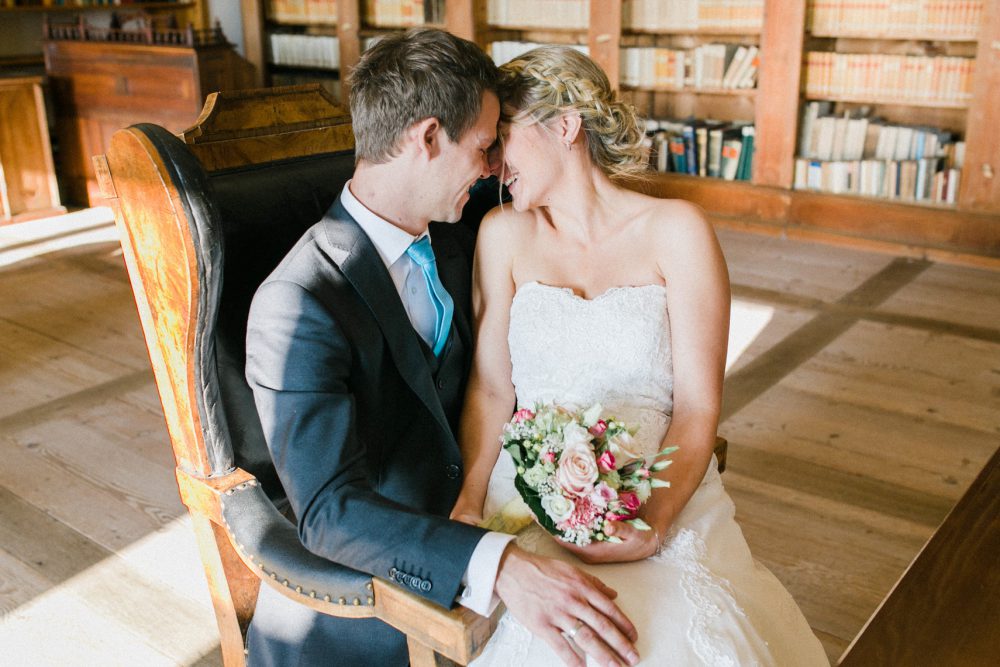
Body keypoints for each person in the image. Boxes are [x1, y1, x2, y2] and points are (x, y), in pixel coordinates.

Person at [244, 29, 639, 667]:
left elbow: (559, 180)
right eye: (485, 147)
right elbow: (328, 512)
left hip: (510, 501)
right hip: (382, 585)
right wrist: (499, 566)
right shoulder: (297, 304)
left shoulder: (461, 229)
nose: (493, 169)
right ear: (428, 138)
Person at [450, 45, 831, 666]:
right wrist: (468, 502)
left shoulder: (677, 231)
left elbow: (698, 407)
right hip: (528, 495)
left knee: (670, 636)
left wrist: (650, 525)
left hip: (661, 487)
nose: (492, 164)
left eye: (503, 139)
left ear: (565, 127)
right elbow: (491, 390)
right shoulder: (501, 236)